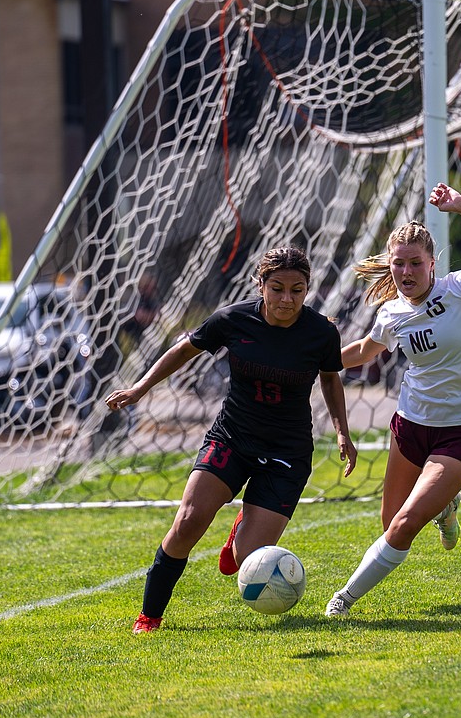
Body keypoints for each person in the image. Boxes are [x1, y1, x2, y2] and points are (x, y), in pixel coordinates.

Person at [105, 247, 357, 633]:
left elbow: (329, 377)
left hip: (287, 452)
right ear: (261, 285)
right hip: (233, 438)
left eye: (297, 289)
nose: (287, 299)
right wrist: (140, 389)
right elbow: (184, 349)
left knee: (247, 557)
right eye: (277, 288)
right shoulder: (233, 319)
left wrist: (342, 431)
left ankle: (240, 529)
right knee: (188, 522)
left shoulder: (320, 332)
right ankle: (150, 616)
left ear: (307, 289)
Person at [324, 182, 461, 618]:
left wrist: (460, 205)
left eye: (416, 263)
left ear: (432, 265)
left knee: (404, 525)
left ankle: (344, 599)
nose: (407, 272)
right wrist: (311, 360)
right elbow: (362, 351)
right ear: (390, 267)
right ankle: (446, 505)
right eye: (399, 264)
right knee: (389, 521)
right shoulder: (391, 314)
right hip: (411, 423)